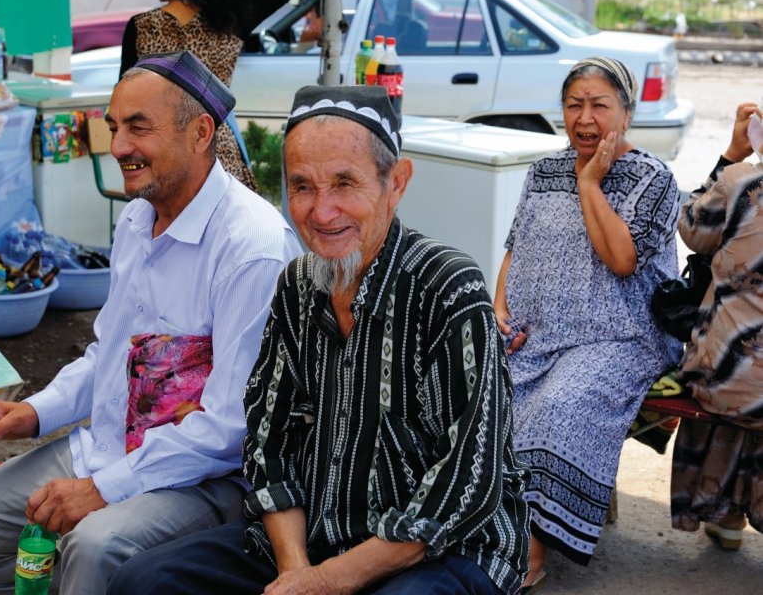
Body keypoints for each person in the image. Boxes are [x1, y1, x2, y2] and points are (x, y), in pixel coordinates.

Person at [108, 85, 532, 595]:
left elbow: (468, 479)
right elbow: (269, 444)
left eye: (345, 184)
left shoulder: (447, 287)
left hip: (442, 552)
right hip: (316, 538)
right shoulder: (296, 286)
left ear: (395, 183)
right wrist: (295, 573)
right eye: (302, 186)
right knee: (144, 582)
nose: (321, 211)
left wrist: (326, 582)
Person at [0, 51, 301, 595]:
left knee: (94, 546)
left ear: (199, 133)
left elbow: (229, 430)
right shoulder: (136, 220)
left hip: (205, 478)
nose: (119, 146)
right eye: (114, 127)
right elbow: (109, 356)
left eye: (138, 127)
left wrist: (102, 490)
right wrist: (33, 411)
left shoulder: (252, 247)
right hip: (106, 446)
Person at [493, 56, 683, 588]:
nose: (585, 117)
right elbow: (516, 249)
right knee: (479, 394)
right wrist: (500, 308)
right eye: (574, 105)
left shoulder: (652, 179)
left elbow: (621, 259)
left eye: (599, 105)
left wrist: (592, 183)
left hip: (620, 338)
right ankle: (481, 529)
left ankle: (529, 551)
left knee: (560, 406)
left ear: (626, 112)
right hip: (537, 333)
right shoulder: (543, 171)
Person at [671, 101, 763, 549]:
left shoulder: (741, 180)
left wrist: (731, 154)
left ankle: (723, 513)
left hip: (725, 379)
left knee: (732, 372)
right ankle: (731, 515)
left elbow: (692, 229)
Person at [119, 0, 258, 191]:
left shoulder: (142, 26)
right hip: (218, 145)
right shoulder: (229, 22)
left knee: (165, 216)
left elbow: (125, 97)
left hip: (160, 143)